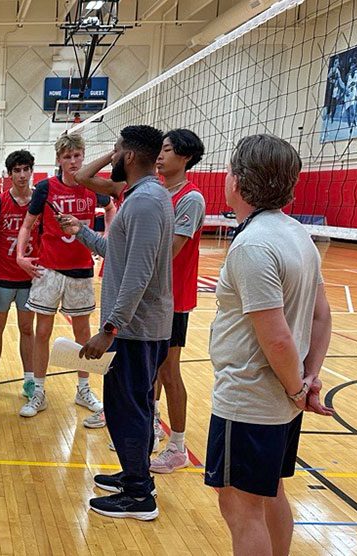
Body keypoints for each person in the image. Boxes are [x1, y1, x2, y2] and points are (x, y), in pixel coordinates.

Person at [205, 135, 333, 555]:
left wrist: (299, 385)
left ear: (237, 181)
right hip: (279, 400)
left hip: (250, 398)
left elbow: (277, 337)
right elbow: (320, 315)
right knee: (269, 492)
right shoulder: (298, 234)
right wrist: (308, 378)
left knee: (241, 509)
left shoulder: (253, 245)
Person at [59, 125, 173, 521]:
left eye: (116, 149)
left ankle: (140, 495)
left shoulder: (144, 203)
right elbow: (119, 254)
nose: (111, 154)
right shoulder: (144, 196)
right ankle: (134, 475)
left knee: (129, 409)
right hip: (137, 327)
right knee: (133, 405)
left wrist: (109, 329)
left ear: (126, 155)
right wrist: (83, 233)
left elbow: (138, 274)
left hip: (134, 330)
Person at [15, 133, 105, 419]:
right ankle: (38, 391)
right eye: (67, 157)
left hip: (80, 270)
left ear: (83, 155)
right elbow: (27, 226)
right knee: (42, 332)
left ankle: (83, 389)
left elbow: (113, 206)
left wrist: (107, 240)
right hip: (49, 270)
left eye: (77, 155)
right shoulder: (45, 189)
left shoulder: (93, 187)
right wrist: (19, 255)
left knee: (83, 333)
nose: (73, 161)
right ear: (59, 160)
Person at [148, 129, 206, 474]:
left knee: (169, 371)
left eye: (167, 150)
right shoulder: (157, 190)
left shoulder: (190, 198)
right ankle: (153, 427)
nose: (160, 155)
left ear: (184, 157)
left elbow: (171, 251)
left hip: (174, 299)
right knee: (152, 367)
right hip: (154, 296)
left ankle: (178, 446)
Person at [0, 150, 37, 402]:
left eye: (26, 170)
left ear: (31, 171)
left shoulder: (39, 202)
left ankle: (30, 380)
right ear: (9, 174)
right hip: (1, 278)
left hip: (29, 278)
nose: (22, 175)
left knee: (27, 329)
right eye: (17, 170)